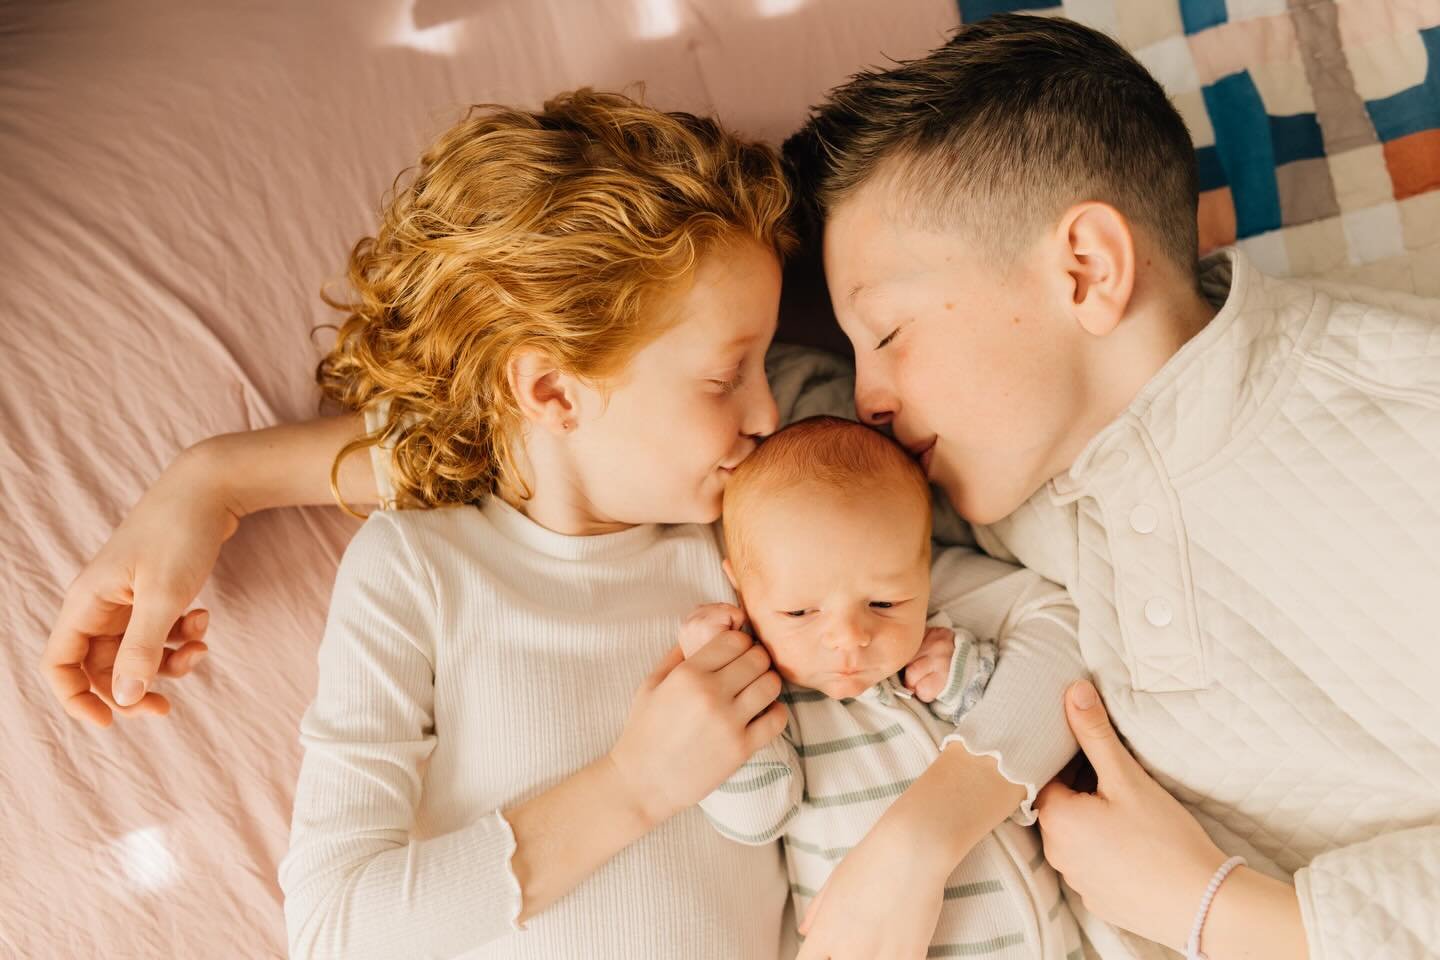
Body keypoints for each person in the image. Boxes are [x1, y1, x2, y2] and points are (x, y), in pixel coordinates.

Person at [44, 87, 1082, 959]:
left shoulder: (761, 536)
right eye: (728, 375)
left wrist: (915, 847)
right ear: (551, 392)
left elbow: (1061, 637)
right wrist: (633, 788)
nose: (772, 412)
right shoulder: (417, 571)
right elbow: (337, 925)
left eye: (766, 366)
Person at [794, 14, 1440, 959]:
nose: (867, 397)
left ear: (1085, 270)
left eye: (887, 333)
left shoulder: (1403, 420)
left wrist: (1217, 911)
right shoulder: (985, 487)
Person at [682, 415, 1084, 959]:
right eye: (799, 611)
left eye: (885, 603)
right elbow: (756, 817)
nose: (850, 638)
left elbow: (1063, 623)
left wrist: (964, 672)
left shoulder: (937, 606)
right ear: (743, 587)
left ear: (924, 563)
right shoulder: (773, 689)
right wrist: (723, 681)